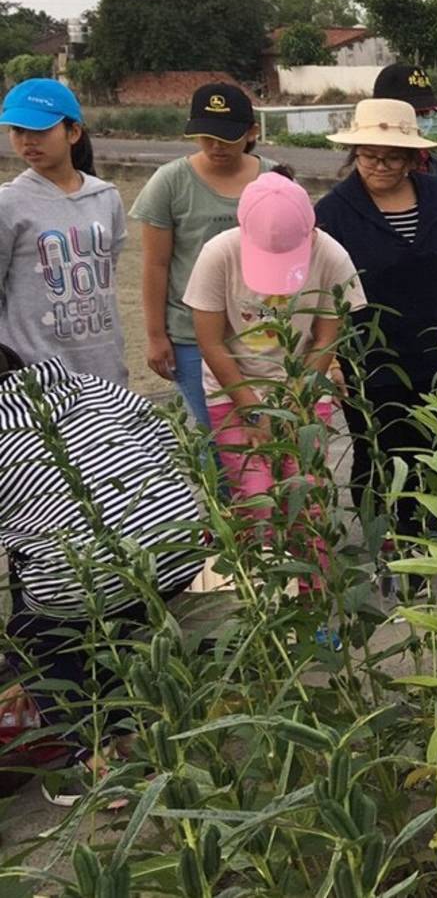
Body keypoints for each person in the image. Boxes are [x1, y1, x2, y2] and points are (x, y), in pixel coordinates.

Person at [0, 341, 204, 805]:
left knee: (33, 637)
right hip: (174, 542)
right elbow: (164, 437)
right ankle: (134, 733)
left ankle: (96, 765)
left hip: (100, 568)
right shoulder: (87, 385)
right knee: (114, 614)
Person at [184, 173, 362, 583]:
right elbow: (210, 342)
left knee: (308, 498)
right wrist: (254, 412)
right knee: (257, 499)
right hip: (234, 389)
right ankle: (261, 598)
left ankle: (313, 594)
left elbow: (325, 339)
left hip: (301, 388)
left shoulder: (331, 256)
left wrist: (291, 407)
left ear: (311, 228)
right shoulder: (218, 254)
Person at [314, 99, 437, 542]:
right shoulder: (333, 211)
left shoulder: (436, 195)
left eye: (391, 157)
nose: (379, 166)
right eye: (369, 155)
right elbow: (321, 291)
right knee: (377, 448)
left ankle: (434, 523)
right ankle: (387, 533)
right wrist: (331, 360)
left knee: (434, 440)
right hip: (367, 356)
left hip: (435, 347)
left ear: (411, 157)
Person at [130, 83, 276, 423]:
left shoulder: (273, 179)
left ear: (252, 132)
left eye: (227, 137)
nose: (216, 146)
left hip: (261, 330)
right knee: (216, 432)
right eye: (206, 136)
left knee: (268, 428)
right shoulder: (170, 182)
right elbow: (156, 264)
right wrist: (156, 335)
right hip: (190, 334)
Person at [0, 79, 126, 385]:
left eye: (40, 130)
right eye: (17, 130)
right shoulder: (9, 203)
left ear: (74, 132)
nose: (28, 141)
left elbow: (106, 270)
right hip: (34, 377)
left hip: (105, 371)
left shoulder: (106, 197)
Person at [372, 63, 437, 187]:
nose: (423, 121)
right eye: (414, 113)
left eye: (427, 113)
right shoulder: (369, 170)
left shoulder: (434, 165)